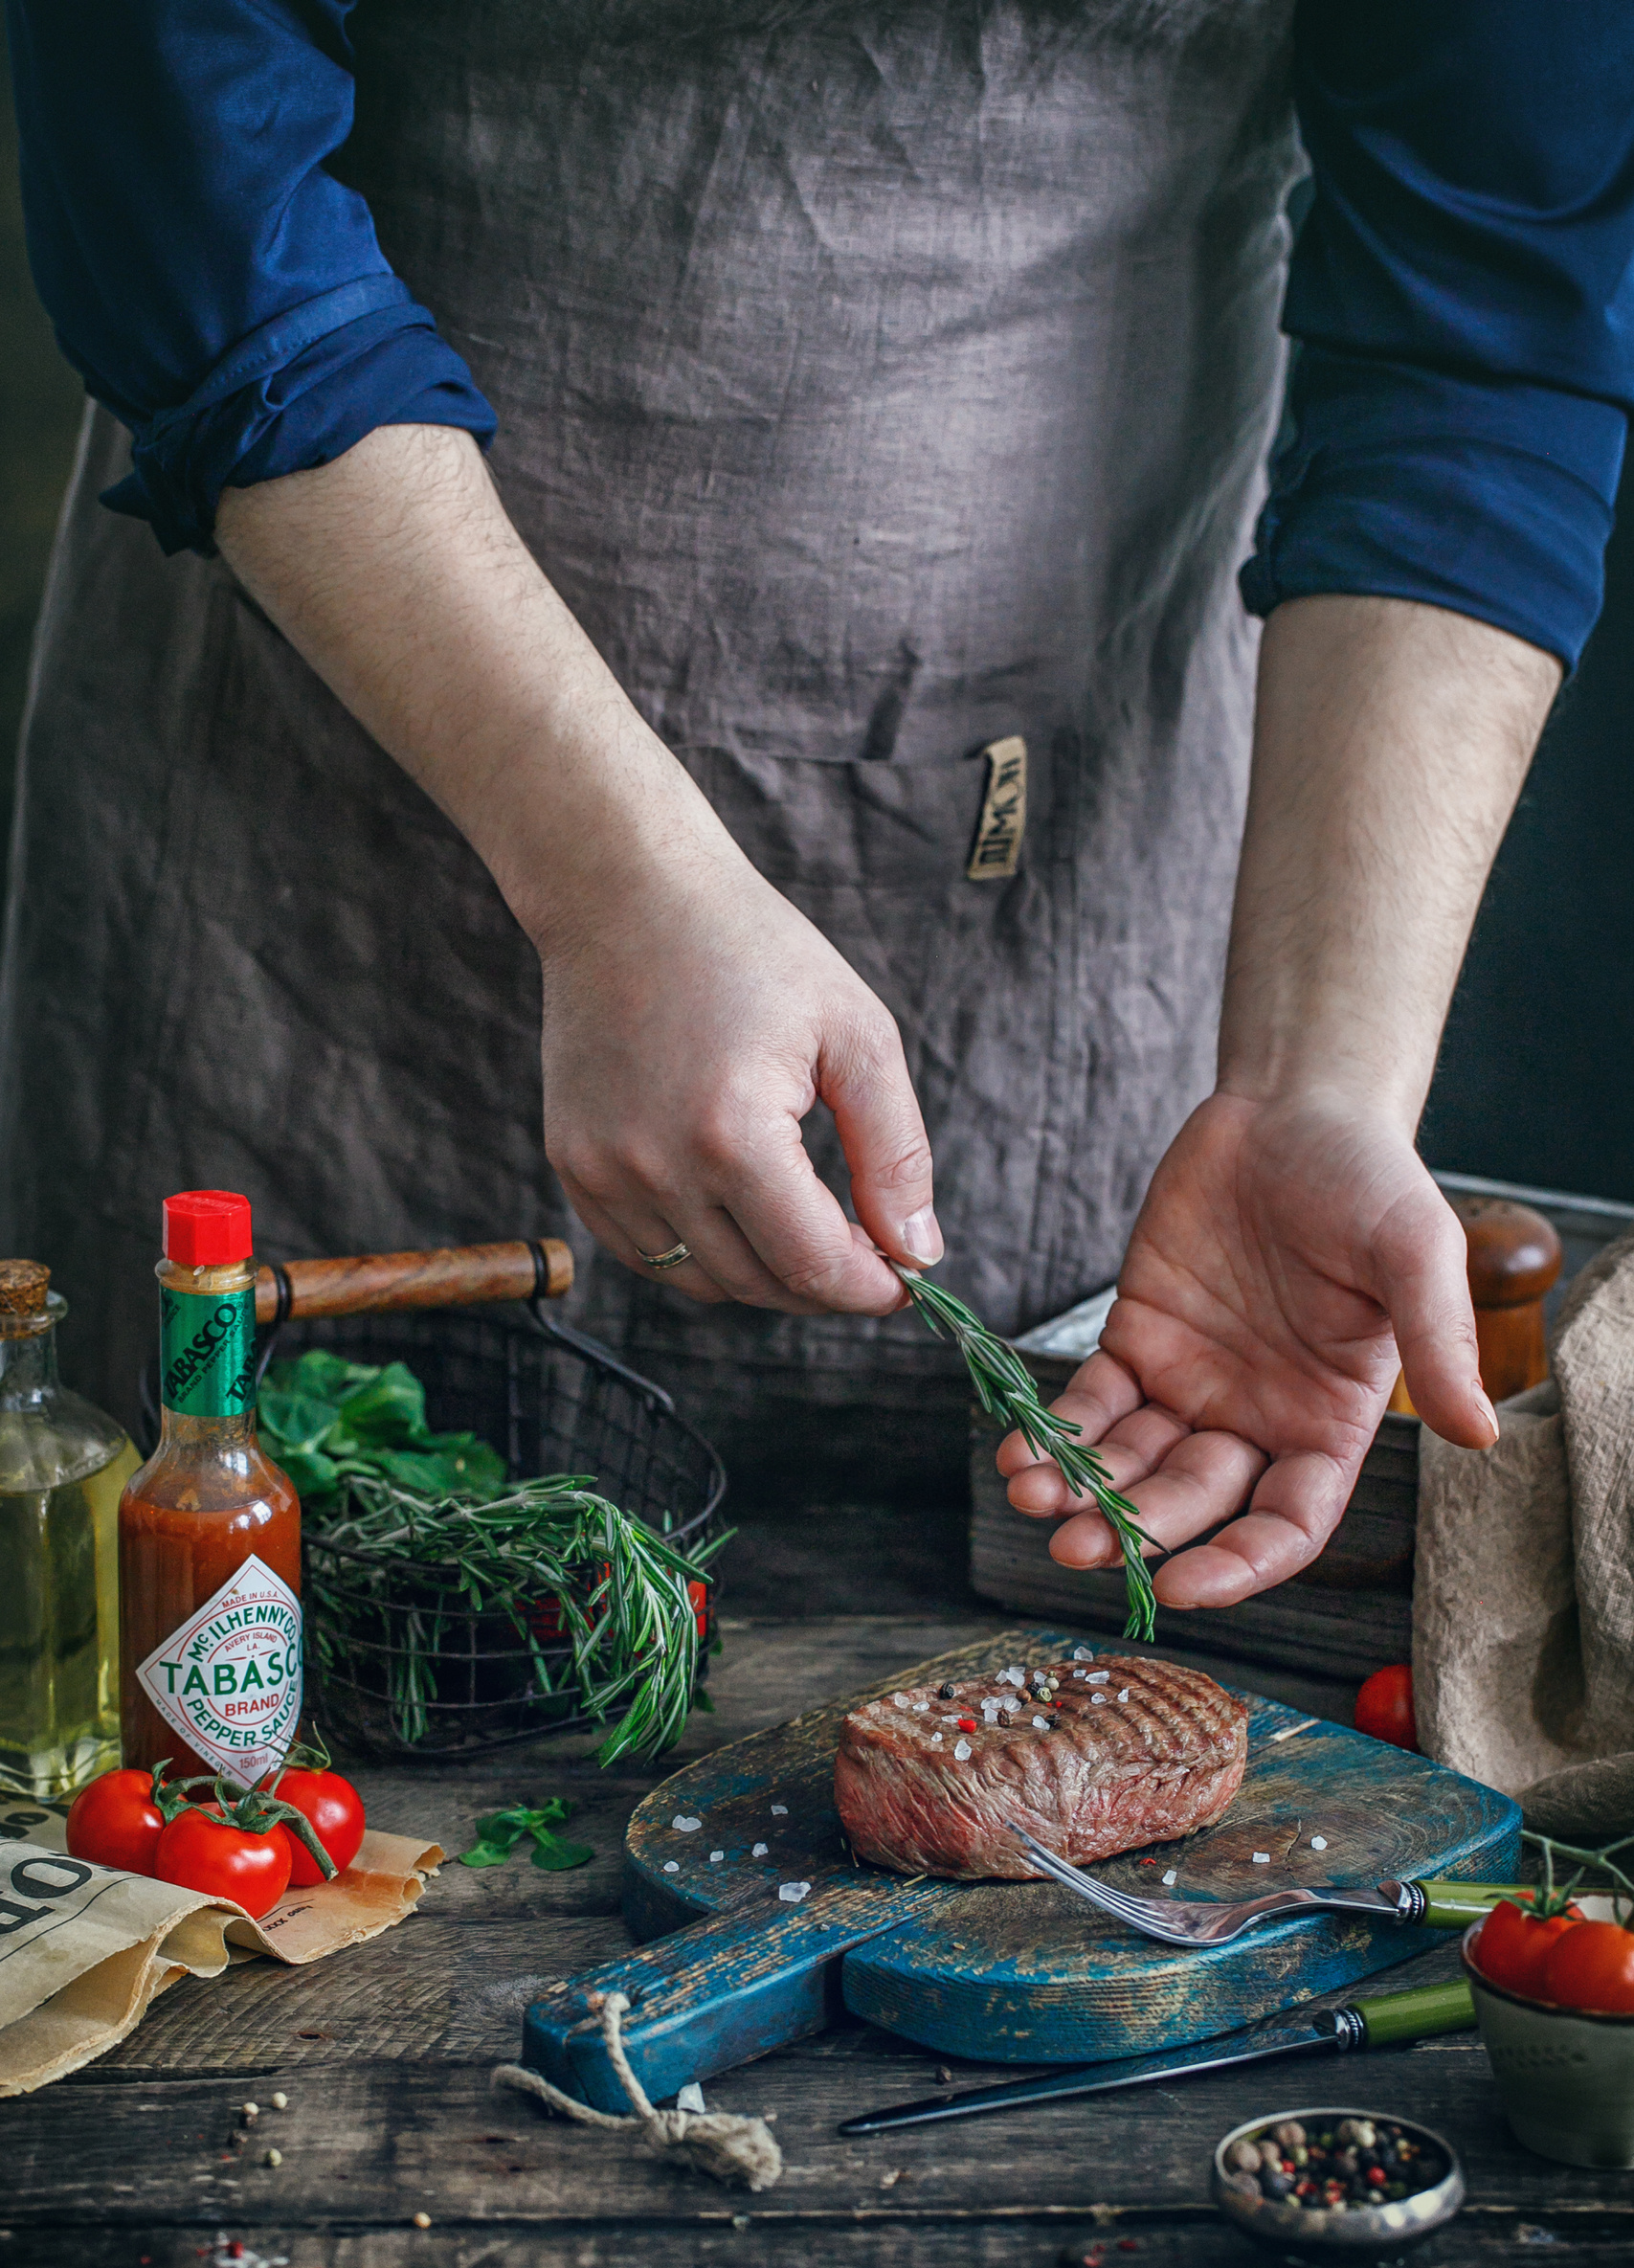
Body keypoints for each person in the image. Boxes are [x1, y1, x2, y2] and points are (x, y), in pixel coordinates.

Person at [1, 3, 1630, 1611]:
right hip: (339, 750)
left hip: (1068, 850)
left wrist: (1314, 1082)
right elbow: (193, 170)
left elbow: (1488, 315)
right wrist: (610, 881)